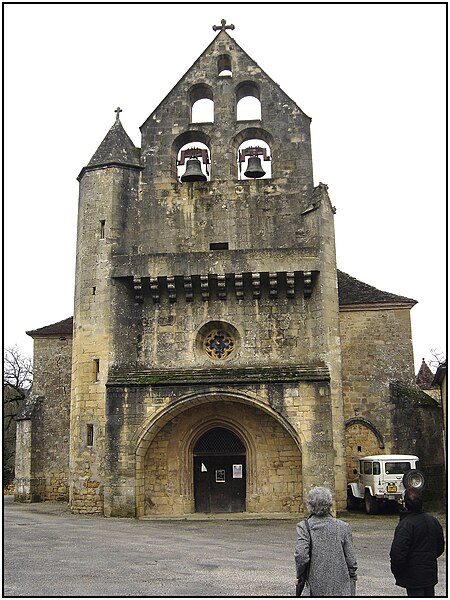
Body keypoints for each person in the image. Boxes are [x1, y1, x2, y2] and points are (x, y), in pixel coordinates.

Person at [294, 486, 357, 596]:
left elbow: (301, 555)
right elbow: (351, 560)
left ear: (310, 505)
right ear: (330, 504)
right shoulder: (343, 527)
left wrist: (300, 575)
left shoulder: (304, 527)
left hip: (315, 586)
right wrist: (352, 577)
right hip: (341, 588)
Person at [390, 487, 445, 597]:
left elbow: (397, 553)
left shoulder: (406, 525)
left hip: (413, 576)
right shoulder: (433, 521)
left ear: (405, 503)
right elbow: (440, 547)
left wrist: (398, 571)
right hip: (429, 573)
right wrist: (429, 558)